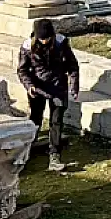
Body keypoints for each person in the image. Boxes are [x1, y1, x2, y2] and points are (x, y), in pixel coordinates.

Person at [16, 19, 79, 172]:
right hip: (37, 88)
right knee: (35, 119)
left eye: (47, 38)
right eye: (41, 38)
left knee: (56, 121)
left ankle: (55, 154)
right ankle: (26, 151)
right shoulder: (27, 47)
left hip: (58, 87)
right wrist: (29, 85)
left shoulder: (61, 43)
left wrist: (74, 86)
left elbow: (72, 65)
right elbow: (22, 70)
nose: (44, 41)